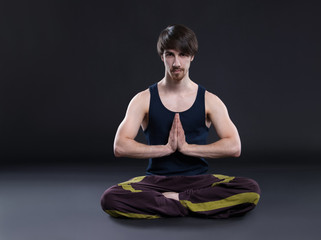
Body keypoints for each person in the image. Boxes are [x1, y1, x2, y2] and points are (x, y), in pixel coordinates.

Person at [101, 24, 260, 219]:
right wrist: (166, 149)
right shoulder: (143, 99)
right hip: (155, 183)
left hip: (199, 182)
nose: (176, 62)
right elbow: (120, 146)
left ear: (192, 56)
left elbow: (234, 146)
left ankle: (172, 201)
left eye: (183, 54)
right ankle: (192, 205)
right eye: (170, 54)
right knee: (111, 198)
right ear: (162, 56)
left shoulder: (209, 100)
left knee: (249, 190)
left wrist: (186, 148)